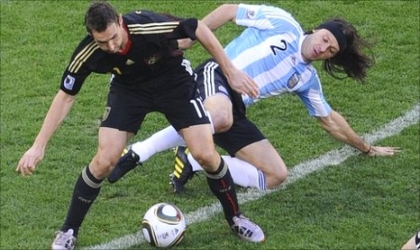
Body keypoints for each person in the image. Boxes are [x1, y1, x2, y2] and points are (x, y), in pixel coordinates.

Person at [15, 2, 266, 249]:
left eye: (114, 37)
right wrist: (38, 146)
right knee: (105, 160)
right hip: (129, 90)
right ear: (92, 36)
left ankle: (235, 218)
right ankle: (68, 230)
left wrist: (230, 71)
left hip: (174, 82)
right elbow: (65, 96)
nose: (111, 46)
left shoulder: (149, 27)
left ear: (120, 21)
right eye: (102, 42)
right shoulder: (89, 52)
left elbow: (197, 27)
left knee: (205, 155)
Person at [108, 3, 400, 193]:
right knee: (221, 117)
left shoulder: (307, 80)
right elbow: (229, 10)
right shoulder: (283, 23)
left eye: (331, 50)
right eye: (326, 39)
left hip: (235, 110)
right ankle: (139, 151)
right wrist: (189, 37)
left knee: (276, 175)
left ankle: (192, 161)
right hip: (215, 75)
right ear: (318, 29)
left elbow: (330, 121)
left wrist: (366, 147)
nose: (323, 48)